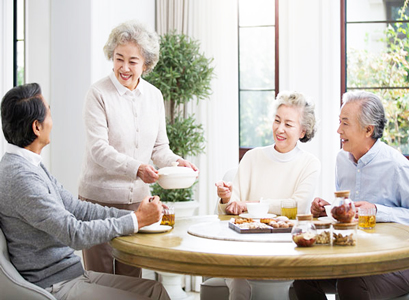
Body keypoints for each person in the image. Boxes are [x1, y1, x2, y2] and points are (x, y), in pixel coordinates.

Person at [0, 82, 170, 300]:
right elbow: (74, 233)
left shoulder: (29, 165)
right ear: (37, 127)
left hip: (72, 275)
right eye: (49, 111)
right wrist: (136, 221)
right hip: (56, 285)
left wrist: (137, 215)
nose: (52, 119)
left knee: (155, 290)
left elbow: (77, 209)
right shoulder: (21, 178)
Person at [78, 20, 197, 277]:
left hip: (137, 206)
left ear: (146, 64)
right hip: (98, 203)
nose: (124, 67)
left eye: (133, 61)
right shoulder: (98, 94)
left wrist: (177, 163)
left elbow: (159, 147)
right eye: (119, 58)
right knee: (100, 282)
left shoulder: (154, 96)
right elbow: (99, 149)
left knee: (131, 280)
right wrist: (137, 168)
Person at [293, 91, 409, 299]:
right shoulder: (342, 160)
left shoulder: (397, 166)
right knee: (302, 279)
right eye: (339, 122)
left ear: (368, 130)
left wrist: (376, 210)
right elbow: (347, 214)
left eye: (345, 123)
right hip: (350, 257)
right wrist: (327, 209)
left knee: (351, 284)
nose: (338, 130)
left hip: (395, 264)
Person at [215, 91, 321, 300]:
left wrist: (253, 205)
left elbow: (298, 207)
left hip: (287, 249)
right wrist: (226, 198)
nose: (279, 129)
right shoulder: (253, 157)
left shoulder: (310, 163)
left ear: (302, 131)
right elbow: (231, 208)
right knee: (239, 280)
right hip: (244, 248)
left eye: (288, 124)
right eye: (277, 120)